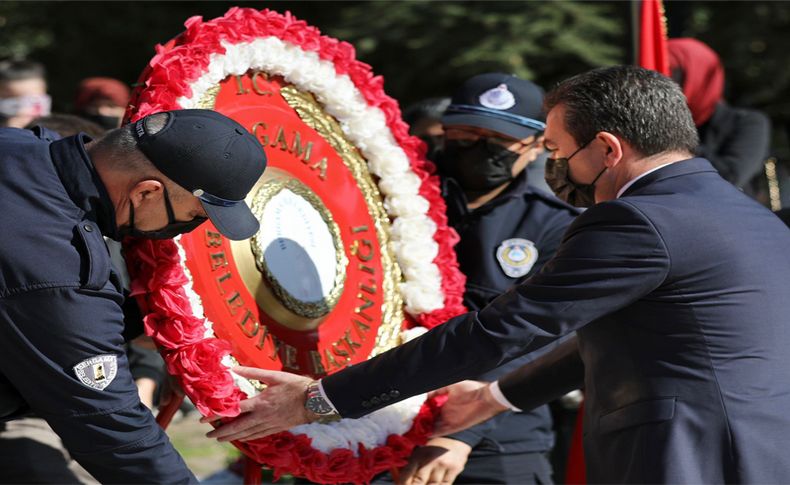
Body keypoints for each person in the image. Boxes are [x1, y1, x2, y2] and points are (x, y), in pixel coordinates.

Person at [205, 65, 790, 484]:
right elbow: (611, 338)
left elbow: (502, 331)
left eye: (557, 153)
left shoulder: (636, 220)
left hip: (684, 457)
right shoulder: (751, 218)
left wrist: (321, 399)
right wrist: (497, 395)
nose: (554, 167)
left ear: (607, 149)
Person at [0, 108, 266, 483]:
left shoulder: (19, 147)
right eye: (194, 216)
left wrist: (143, 320)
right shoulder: (60, 268)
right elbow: (114, 434)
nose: (185, 230)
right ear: (146, 192)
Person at [377, 74, 579, 484]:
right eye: (468, 132)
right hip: (376, 419)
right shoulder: (391, 202)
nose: (480, 147)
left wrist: (460, 431)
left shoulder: (556, 226)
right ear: (444, 132)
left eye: (499, 139)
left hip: (496, 442)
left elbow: (541, 336)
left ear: (538, 146)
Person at [668, 37, 772, 190]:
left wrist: (670, 139)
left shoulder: (748, 122)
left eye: (673, 74)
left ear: (697, 76)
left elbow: (732, 175)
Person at [0, 59, 50, 129]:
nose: (25, 107)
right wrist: (12, 128)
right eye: (14, 99)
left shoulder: (58, 127)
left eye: (33, 98)